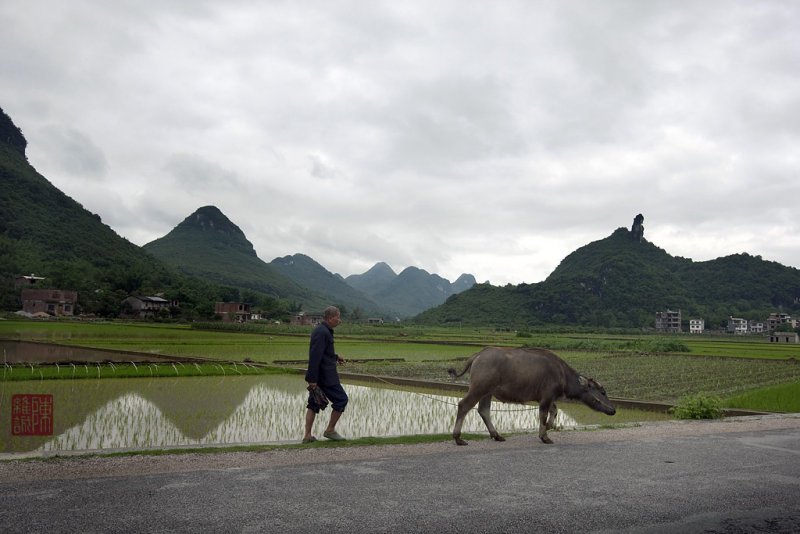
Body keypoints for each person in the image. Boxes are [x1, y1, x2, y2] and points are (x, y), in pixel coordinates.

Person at [302, 306, 348, 443]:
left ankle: (307, 436)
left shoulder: (324, 331)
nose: (339, 320)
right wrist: (313, 380)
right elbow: (315, 356)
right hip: (326, 377)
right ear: (330, 318)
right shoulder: (322, 332)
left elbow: (324, 354)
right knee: (341, 399)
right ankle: (330, 430)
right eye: (338, 317)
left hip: (320, 375)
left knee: (313, 404)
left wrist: (335, 357)